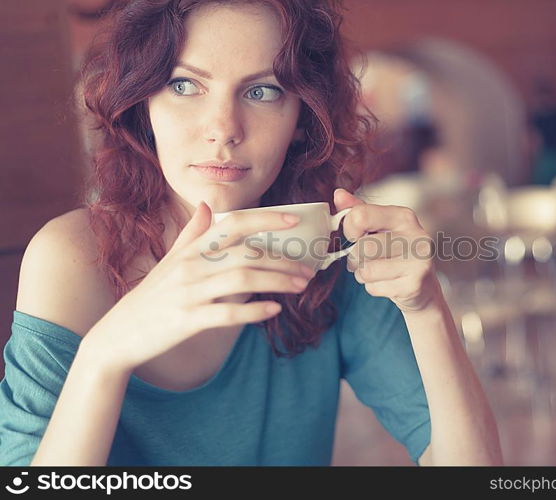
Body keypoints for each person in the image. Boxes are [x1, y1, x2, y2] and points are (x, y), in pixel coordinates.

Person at [0, 0, 502, 466]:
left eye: (262, 91)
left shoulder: (334, 253)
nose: (223, 128)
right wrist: (104, 356)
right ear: (142, 103)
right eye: (184, 85)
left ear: (303, 118)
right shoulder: (70, 259)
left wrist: (426, 307)